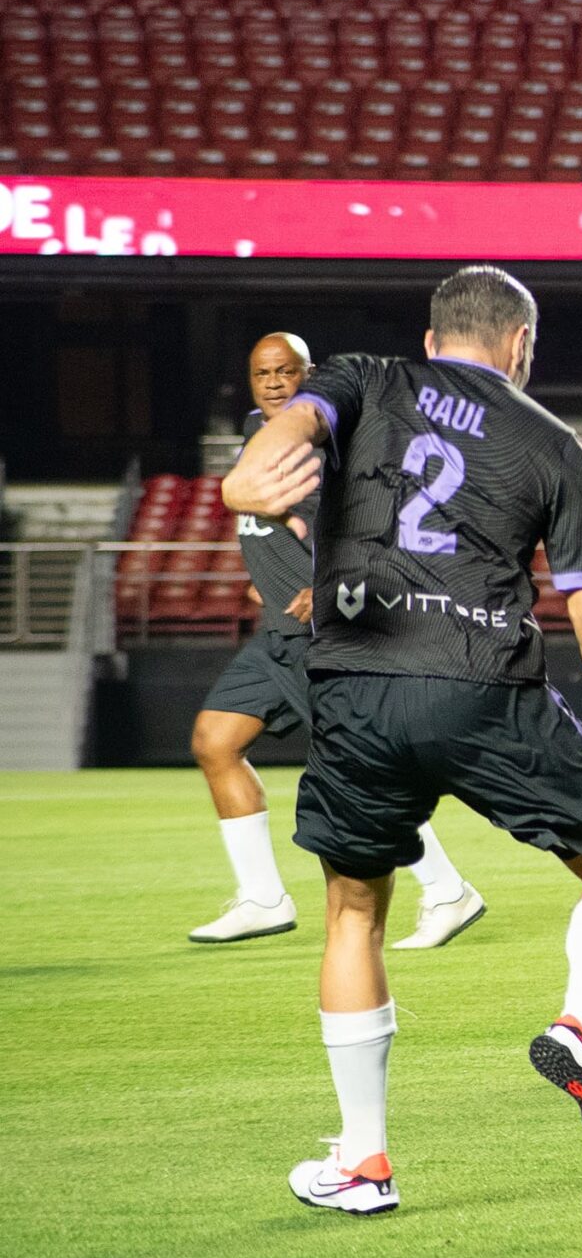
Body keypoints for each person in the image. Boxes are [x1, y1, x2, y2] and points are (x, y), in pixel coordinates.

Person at [224, 266, 582, 1215]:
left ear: (433, 339)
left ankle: (364, 1162)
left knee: (355, 914)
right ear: (521, 346)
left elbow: (296, 428)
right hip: (483, 691)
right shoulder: (553, 445)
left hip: (353, 688)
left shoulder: (365, 378)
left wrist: (246, 473)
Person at [189, 331, 488, 948]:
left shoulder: (336, 444)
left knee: (361, 771)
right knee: (215, 740)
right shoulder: (259, 432)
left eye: (285, 371)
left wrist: (330, 589)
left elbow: (378, 530)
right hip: (278, 630)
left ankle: (446, 890)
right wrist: (265, 577)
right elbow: (273, 523)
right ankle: (263, 898)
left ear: (311, 373)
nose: (273, 382)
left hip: (324, 633)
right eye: (261, 372)